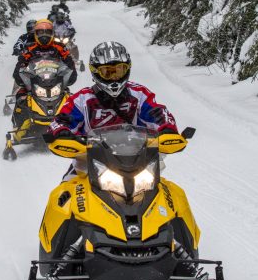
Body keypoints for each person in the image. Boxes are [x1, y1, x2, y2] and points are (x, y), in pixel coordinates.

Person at [48, 41, 178, 179]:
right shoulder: (82, 99)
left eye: (119, 70)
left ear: (127, 69)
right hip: (89, 164)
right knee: (64, 192)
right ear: (96, 71)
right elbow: (62, 119)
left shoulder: (139, 94)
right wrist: (61, 131)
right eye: (107, 72)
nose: (114, 77)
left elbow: (157, 113)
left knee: (169, 193)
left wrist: (167, 128)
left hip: (138, 162)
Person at [12, 19, 77, 128]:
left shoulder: (59, 47)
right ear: (36, 34)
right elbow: (20, 64)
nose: (44, 36)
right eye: (41, 33)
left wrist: (71, 73)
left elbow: (68, 61)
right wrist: (20, 71)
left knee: (71, 98)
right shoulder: (30, 48)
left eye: (47, 32)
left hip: (55, 81)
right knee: (21, 98)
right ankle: (19, 126)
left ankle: (76, 123)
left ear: (52, 33)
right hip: (35, 82)